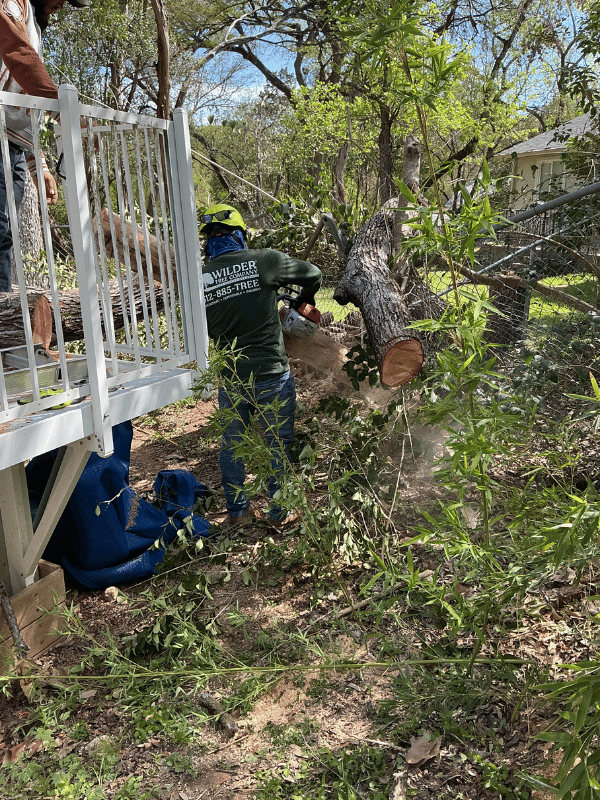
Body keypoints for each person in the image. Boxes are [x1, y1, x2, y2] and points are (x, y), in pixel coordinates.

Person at [200, 204, 322, 528]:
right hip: (271, 375)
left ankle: (237, 514)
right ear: (240, 235)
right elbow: (314, 274)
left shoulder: (199, 279)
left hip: (231, 378)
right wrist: (302, 302)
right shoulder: (264, 261)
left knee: (233, 445)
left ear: (208, 240)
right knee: (278, 444)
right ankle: (279, 514)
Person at [0, 0, 89, 291]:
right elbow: (17, 53)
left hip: (11, 142)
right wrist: (62, 107)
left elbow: (19, 111)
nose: (63, 4)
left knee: (5, 231)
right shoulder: (12, 5)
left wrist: (39, 166)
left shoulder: (34, 24)